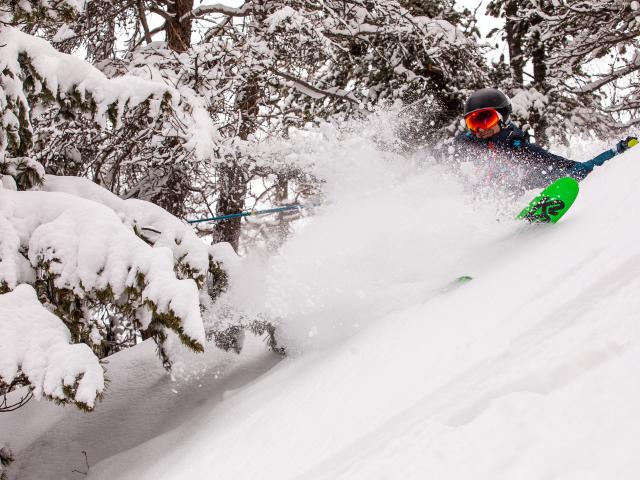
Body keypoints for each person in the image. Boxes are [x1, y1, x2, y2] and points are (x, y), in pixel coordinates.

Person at [451, 88, 637, 193]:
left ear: (503, 117)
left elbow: (574, 166)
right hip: (477, 200)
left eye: (486, 119)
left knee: (562, 173)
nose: (481, 128)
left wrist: (615, 151)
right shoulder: (465, 145)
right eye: (473, 122)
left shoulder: (517, 146)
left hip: (513, 192)